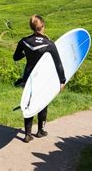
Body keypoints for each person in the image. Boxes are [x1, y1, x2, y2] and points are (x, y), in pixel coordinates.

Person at [13, 14, 66, 143]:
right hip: (43, 78)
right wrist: (62, 81)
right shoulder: (49, 44)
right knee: (43, 103)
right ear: (42, 26)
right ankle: (40, 131)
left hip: (29, 77)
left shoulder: (24, 41)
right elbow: (58, 64)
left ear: (32, 27)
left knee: (29, 103)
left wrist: (26, 52)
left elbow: (16, 57)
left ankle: (27, 134)